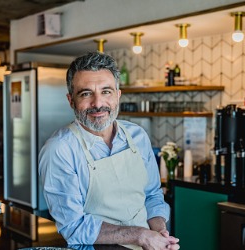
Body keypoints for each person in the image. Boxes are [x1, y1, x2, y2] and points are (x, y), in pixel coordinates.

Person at [38, 51, 180, 250]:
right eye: (86, 93)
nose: (98, 103)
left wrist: (160, 232)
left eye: (106, 91)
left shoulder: (137, 136)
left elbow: (152, 195)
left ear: (118, 95)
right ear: (71, 100)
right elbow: (73, 227)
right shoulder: (59, 149)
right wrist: (140, 235)